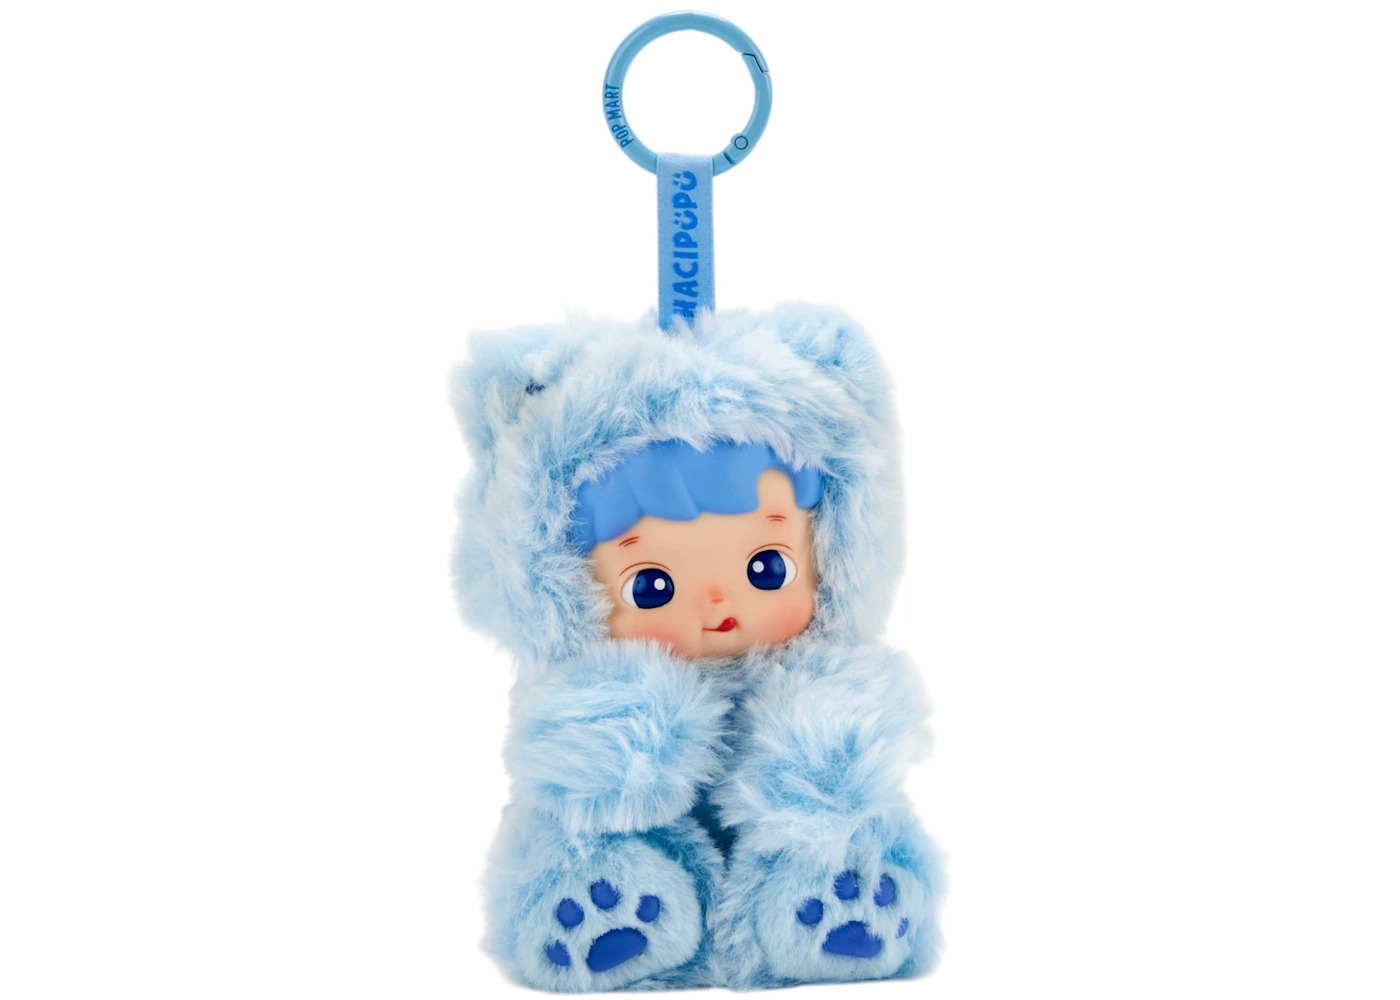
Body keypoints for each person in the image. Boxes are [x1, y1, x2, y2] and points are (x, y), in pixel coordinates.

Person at [452, 305, 942, 990]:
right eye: (652, 585)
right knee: (587, 814)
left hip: (807, 783)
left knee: (837, 801)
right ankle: (605, 903)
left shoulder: (824, 684)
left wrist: (829, 757)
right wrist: (614, 748)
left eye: (765, 568)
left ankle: (834, 898)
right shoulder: (585, 696)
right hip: (617, 772)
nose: (717, 607)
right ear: (557, 584)